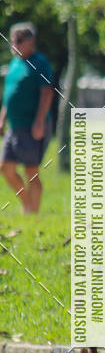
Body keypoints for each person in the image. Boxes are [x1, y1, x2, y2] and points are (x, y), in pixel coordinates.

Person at [0, 23, 54, 213]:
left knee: (31, 171)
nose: (14, 43)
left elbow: (47, 92)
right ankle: (27, 203)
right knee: (5, 167)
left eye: (19, 40)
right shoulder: (14, 64)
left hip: (31, 125)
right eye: (12, 40)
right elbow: (9, 94)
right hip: (14, 127)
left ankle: (33, 212)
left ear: (31, 41)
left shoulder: (40, 62)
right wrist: (2, 118)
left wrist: (40, 121)